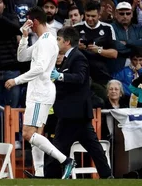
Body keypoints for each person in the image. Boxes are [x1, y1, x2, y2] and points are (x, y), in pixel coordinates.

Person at [4, 7, 76, 179]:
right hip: (39, 92)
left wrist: (16, 80)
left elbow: (40, 68)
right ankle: (40, 173)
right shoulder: (43, 40)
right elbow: (22, 57)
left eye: (29, 22)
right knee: (35, 135)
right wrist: (24, 37)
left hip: (40, 93)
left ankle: (65, 160)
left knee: (28, 134)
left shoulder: (45, 42)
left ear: (34, 21)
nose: (28, 25)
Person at [44, 26, 112, 179]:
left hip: (73, 113)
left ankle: (50, 176)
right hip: (75, 112)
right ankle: (107, 175)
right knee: (93, 147)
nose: (56, 42)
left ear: (67, 41)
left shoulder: (78, 57)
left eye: (58, 39)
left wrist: (60, 76)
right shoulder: (71, 57)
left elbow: (80, 78)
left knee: (59, 146)